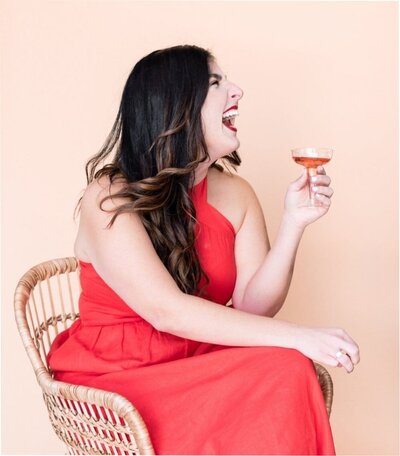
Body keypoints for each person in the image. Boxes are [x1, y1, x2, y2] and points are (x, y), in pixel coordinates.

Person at [47, 44, 360, 455]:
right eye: (217, 83)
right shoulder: (109, 196)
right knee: (290, 362)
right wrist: (300, 337)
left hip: (197, 359)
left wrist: (293, 224)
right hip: (121, 378)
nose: (237, 92)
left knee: (288, 370)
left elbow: (252, 306)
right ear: (178, 105)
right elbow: (165, 310)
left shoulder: (236, 193)